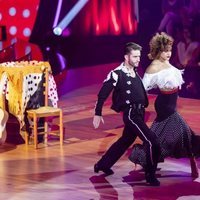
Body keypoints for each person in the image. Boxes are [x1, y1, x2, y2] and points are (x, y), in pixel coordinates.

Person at [129, 32, 200, 178]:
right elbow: (143, 88)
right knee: (184, 133)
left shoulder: (166, 63)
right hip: (164, 106)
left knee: (158, 137)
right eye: (165, 51)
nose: (168, 53)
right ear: (158, 51)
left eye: (169, 50)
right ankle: (192, 163)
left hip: (171, 104)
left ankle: (145, 160)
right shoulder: (153, 68)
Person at [93, 42, 161, 186]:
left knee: (125, 140)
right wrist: (98, 112)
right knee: (152, 141)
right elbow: (103, 93)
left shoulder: (134, 71)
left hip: (140, 112)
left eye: (139, 56)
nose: (138, 59)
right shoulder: (117, 73)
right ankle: (150, 175)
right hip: (131, 114)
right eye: (135, 56)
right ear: (126, 57)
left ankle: (103, 165)